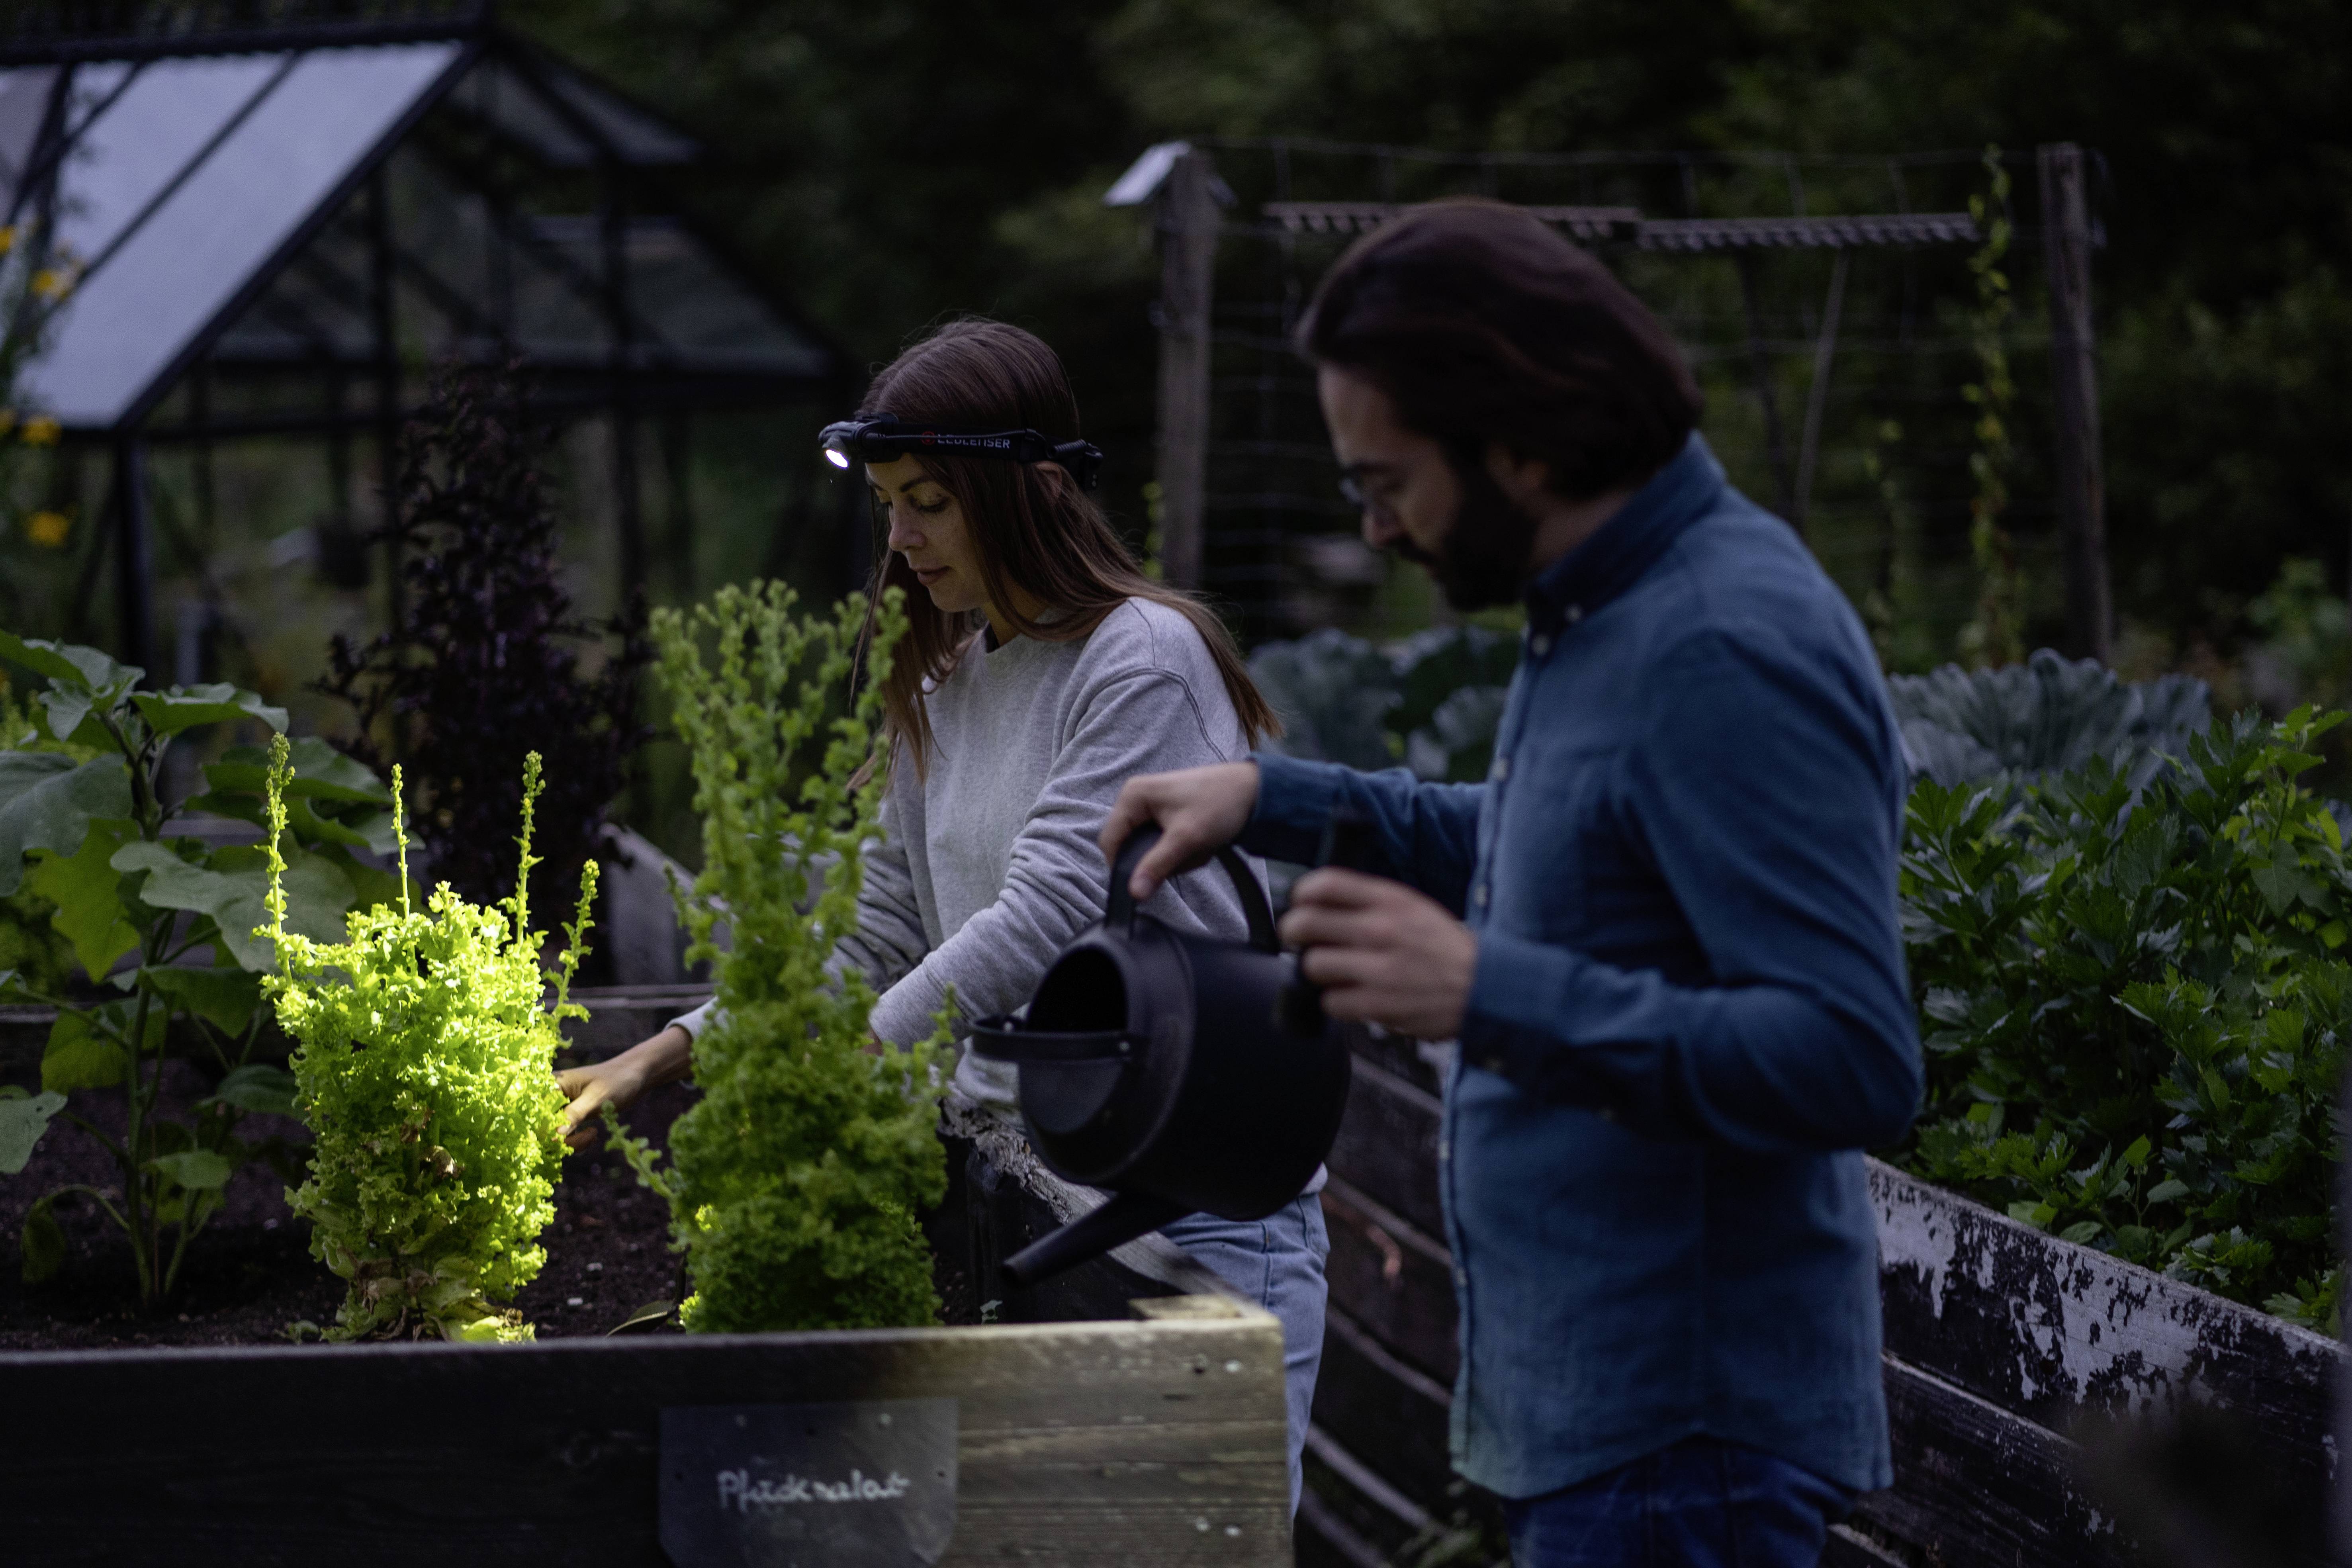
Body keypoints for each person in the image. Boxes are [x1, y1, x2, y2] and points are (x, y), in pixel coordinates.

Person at [1103, 200, 1922, 1567]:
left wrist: (1488, 989)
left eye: (1386, 482)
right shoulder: (1599, 608)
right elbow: (1574, 846)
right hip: (1602, 1431)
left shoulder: (1721, 641)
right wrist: (1277, 797)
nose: (1371, 530)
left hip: (1680, 1448)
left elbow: (1853, 1055)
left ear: (1523, 445)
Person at [555, 317, 1330, 1511]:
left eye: (927, 500)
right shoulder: (945, 685)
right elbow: (874, 938)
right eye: (885, 504)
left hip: (1190, 1207)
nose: (901, 538)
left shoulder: (1139, 656)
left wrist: (855, 1063)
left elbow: (1048, 910)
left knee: (1189, 1538)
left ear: (1036, 494)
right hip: (1031, 1201)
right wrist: (666, 1053)